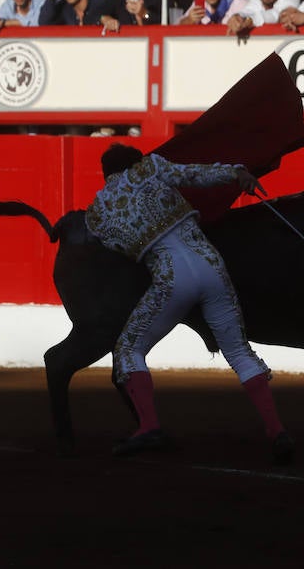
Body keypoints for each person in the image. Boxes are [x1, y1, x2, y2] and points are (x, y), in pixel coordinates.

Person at [85, 142, 292, 462]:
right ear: (135, 161)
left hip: (171, 277)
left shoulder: (98, 211)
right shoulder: (151, 167)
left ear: (106, 173)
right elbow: (196, 174)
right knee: (238, 351)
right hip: (211, 264)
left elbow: (110, 245)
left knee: (128, 349)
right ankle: (276, 430)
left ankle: (149, 426)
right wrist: (236, 173)